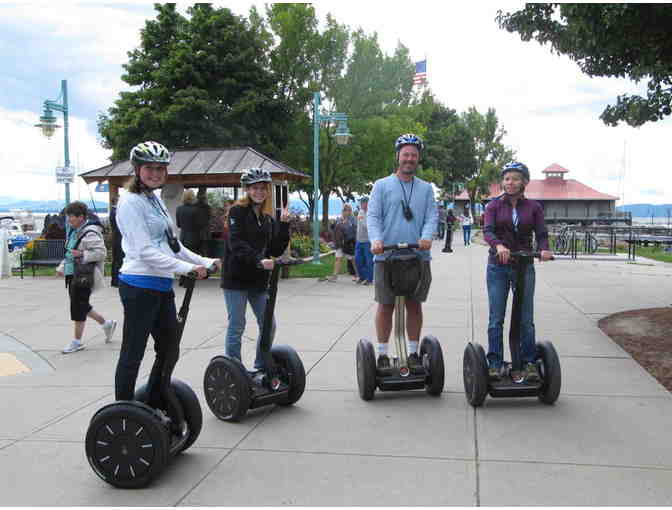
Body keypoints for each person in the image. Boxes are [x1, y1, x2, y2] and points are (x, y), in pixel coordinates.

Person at [115, 141, 220, 434]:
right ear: (137, 170)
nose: (155, 173)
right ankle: (123, 413)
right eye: (150, 168)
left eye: (160, 168)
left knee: (169, 348)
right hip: (138, 286)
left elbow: (173, 246)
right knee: (133, 351)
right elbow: (146, 251)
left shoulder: (155, 200)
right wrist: (189, 269)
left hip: (161, 286)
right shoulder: (129, 203)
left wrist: (205, 260)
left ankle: (156, 396)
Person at [367, 133, 438, 369]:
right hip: (386, 255)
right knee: (385, 304)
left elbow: (431, 216)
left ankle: (414, 352)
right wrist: (376, 240)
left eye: (414, 155)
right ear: (398, 156)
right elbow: (373, 217)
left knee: (414, 304)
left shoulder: (426, 188)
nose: (409, 159)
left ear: (418, 159)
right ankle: (383, 353)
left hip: (417, 255)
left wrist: (426, 237)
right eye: (405, 154)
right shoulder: (381, 185)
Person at [483, 161, 553, 383]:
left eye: (514, 178)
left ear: (524, 182)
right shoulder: (493, 206)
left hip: (524, 266)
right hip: (498, 267)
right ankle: (494, 363)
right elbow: (488, 231)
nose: (509, 182)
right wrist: (499, 246)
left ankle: (529, 362)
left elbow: (541, 233)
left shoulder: (534, 208)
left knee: (526, 318)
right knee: (496, 318)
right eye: (506, 178)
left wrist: (543, 249)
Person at [221, 168, 290, 374]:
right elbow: (236, 244)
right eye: (255, 188)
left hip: (258, 281)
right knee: (237, 325)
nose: (259, 192)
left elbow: (275, 249)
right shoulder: (237, 212)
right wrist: (259, 260)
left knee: (269, 324)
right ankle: (235, 371)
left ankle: (260, 366)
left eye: (262, 188)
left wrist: (284, 225)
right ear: (247, 190)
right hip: (236, 279)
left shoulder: (267, 218)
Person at [56, 201, 117, 354]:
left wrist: (83, 254)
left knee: (78, 307)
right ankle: (106, 323)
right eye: (68, 216)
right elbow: (71, 252)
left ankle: (77, 342)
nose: (69, 220)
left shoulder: (90, 232)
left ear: (81, 217)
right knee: (81, 305)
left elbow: (101, 253)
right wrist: (62, 267)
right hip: (73, 274)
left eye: (71, 217)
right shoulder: (74, 231)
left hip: (83, 276)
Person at [323, 203, 358, 283]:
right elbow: (336, 230)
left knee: (353, 259)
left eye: (347, 210)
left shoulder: (352, 219)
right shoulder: (339, 219)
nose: (345, 212)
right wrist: (333, 224)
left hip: (348, 243)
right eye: (344, 210)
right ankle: (334, 276)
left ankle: (358, 275)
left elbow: (353, 231)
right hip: (340, 244)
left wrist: (346, 224)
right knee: (338, 258)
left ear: (350, 211)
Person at [176, 189, 209, 254]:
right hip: (195, 239)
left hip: (182, 237)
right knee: (195, 259)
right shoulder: (197, 209)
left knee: (185, 259)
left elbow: (178, 225)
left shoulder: (179, 209)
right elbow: (201, 225)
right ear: (193, 197)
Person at [354, 197, 374, 285]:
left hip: (368, 241)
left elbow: (366, 225)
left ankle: (369, 279)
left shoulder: (371, 213)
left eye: (363, 203)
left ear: (367, 203)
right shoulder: (360, 212)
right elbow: (362, 224)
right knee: (358, 260)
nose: (361, 204)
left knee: (369, 261)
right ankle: (362, 277)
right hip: (359, 240)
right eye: (361, 203)